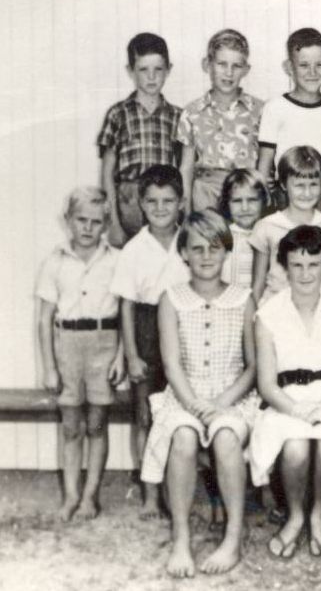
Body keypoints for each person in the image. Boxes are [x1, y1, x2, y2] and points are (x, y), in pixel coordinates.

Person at [140, 210, 257, 577]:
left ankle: (233, 537)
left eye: (215, 248)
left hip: (232, 396)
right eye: (197, 249)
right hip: (184, 394)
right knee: (184, 436)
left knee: (224, 437)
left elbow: (253, 366)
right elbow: (172, 364)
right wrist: (194, 405)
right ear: (184, 254)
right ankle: (180, 537)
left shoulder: (243, 298)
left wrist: (221, 404)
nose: (206, 257)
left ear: (226, 253)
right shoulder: (171, 299)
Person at [249, 225, 321, 559]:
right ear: (283, 266)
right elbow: (267, 385)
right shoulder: (267, 314)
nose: (306, 273)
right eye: (296, 265)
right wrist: (300, 410)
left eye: (314, 264)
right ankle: (296, 516)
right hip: (285, 402)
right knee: (295, 448)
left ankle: (319, 514)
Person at [37, 187, 123, 521]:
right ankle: (71, 495)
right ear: (68, 221)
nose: (87, 228)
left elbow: (125, 311)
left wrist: (120, 358)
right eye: (81, 220)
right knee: (71, 426)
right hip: (67, 347)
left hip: (104, 342)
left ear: (105, 224)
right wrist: (49, 367)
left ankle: (91, 496)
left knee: (97, 424)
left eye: (95, 222)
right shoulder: (54, 261)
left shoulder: (116, 261)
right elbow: (44, 319)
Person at [109, 165, 191, 519]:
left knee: (179, 416)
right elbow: (126, 304)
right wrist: (131, 354)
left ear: (182, 203)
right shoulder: (134, 249)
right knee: (145, 417)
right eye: (153, 201)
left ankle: (178, 494)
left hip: (184, 328)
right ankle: (150, 496)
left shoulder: (190, 239)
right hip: (145, 329)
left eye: (168, 201)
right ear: (141, 204)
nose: (160, 208)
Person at [97, 33, 181, 245]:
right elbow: (107, 174)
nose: (151, 77)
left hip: (165, 201)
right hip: (130, 203)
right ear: (130, 71)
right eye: (143, 70)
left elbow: (184, 169)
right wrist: (114, 224)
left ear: (168, 70)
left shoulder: (179, 117)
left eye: (158, 70)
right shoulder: (118, 114)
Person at [176, 29, 263, 213]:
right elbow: (187, 168)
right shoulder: (192, 112)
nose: (229, 73)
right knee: (209, 240)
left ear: (246, 70)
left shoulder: (259, 110)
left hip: (246, 194)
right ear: (207, 65)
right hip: (206, 192)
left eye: (236, 66)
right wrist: (187, 215)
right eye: (222, 64)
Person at [249, 146, 321, 304]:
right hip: (277, 315)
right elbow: (258, 285)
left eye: (313, 184)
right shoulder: (266, 227)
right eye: (299, 185)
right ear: (284, 184)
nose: (307, 193)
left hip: (318, 316)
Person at [257, 28, 321, 216]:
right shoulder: (275, 107)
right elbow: (265, 159)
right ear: (289, 67)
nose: (312, 72)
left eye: (319, 65)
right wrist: (262, 189)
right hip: (287, 190)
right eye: (304, 65)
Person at [218, 169, 267, 288]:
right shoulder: (221, 236)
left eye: (252, 200)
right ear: (226, 203)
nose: (245, 208)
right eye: (237, 201)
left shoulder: (268, 234)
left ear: (264, 201)